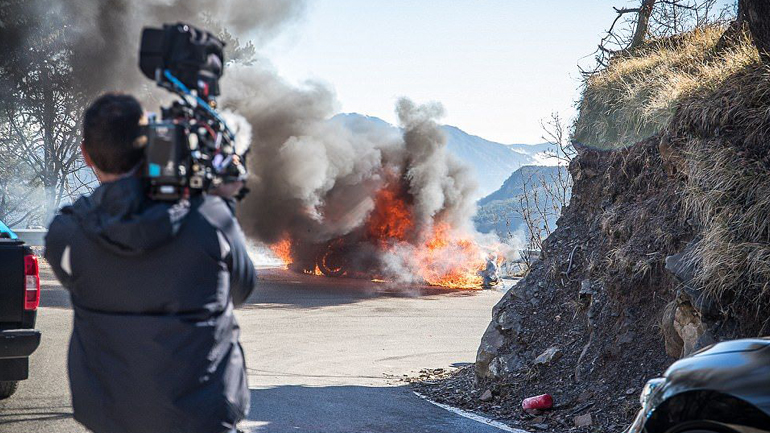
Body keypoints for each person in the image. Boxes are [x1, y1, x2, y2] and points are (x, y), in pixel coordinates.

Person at [44, 93, 256, 433]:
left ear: (85, 154)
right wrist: (220, 203)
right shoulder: (210, 218)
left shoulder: (65, 233)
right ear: (147, 149)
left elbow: (84, 280)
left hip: (110, 418)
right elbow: (241, 290)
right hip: (205, 419)